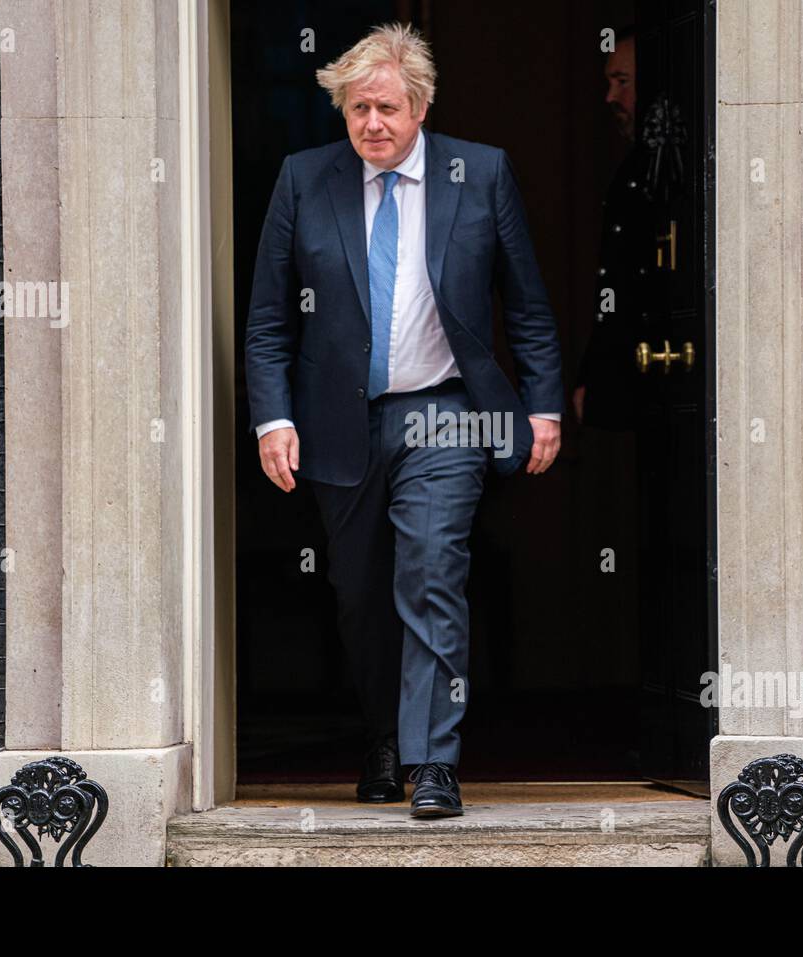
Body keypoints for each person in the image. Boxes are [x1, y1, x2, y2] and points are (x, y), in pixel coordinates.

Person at [244, 23, 563, 817]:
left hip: (445, 413)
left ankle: (433, 761)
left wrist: (544, 404)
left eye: (386, 107)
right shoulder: (303, 180)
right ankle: (383, 737)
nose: (371, 125)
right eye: (358, 110)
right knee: (359, 595)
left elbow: (525, 303)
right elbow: (269, 321)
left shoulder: (479, 174)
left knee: (431, 573)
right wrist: (271, 418)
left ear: (420, 106)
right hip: (337, 423)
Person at [573, 26, 650, 430]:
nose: (610, 97)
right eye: (609, 83)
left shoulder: (668, 169)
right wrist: (592, 372)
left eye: (622, 82)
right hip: (623, 375)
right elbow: (612, 283)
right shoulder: (631, 169)